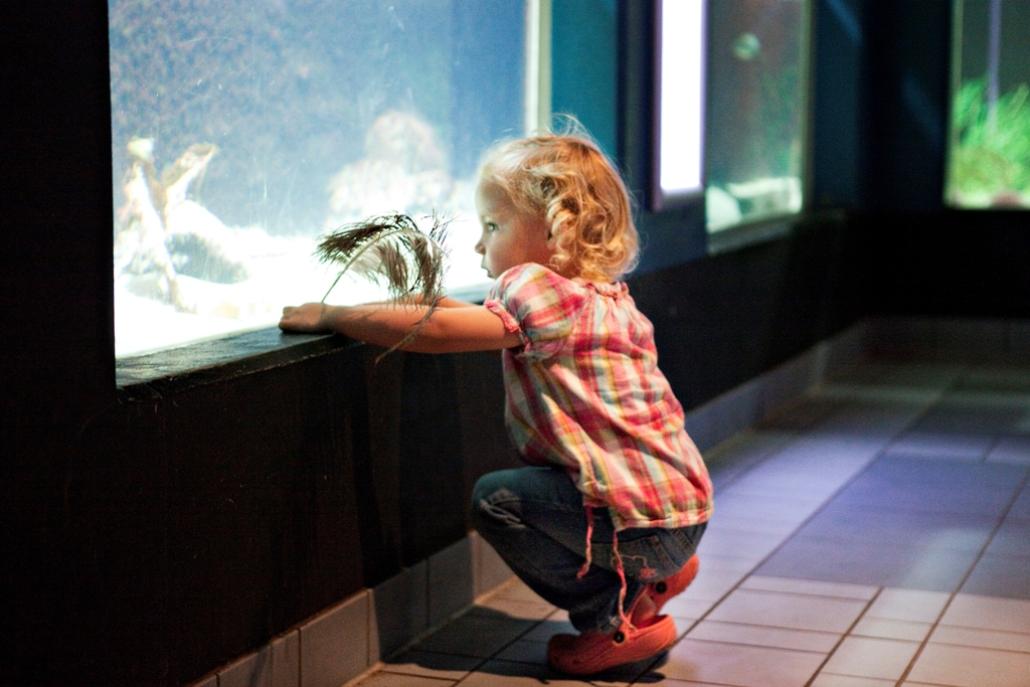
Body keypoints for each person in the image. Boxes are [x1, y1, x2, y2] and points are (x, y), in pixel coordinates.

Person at [279, 130, 713, 675]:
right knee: (547, 501)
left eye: (492, 226)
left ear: (555, 229)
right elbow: (444, 308)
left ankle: (612, 622)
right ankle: (656, 574)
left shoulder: (537, 287)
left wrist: (332, 316)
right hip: (682, 511)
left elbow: (436, 330)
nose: (479, 246)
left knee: (498, 501)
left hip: (641, 526)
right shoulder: (603, 295)